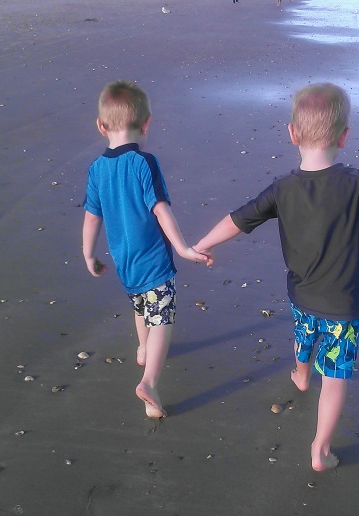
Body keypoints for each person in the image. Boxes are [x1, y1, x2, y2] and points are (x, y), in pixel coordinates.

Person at [193, 83, 359, 471]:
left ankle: (300, 376)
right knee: (334, 377)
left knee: (303, 333)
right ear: (345, 137)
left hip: (301, 293)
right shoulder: (356, 185)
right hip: (343, 306)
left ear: (292, 134)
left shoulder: (282, 188)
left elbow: (239, 218)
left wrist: (202, 243)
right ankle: (320, 450)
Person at [82, 80, 208, 419]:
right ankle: (149, 381)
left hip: (125, 262)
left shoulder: (97, 169)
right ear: (147, 123)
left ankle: (142, 349)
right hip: (154, 260)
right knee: (162, 316)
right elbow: (160, 208)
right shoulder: (143, 163)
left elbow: (92, 218)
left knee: (141, 306)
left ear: (101, 125)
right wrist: (182, 247)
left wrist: (88, 255)